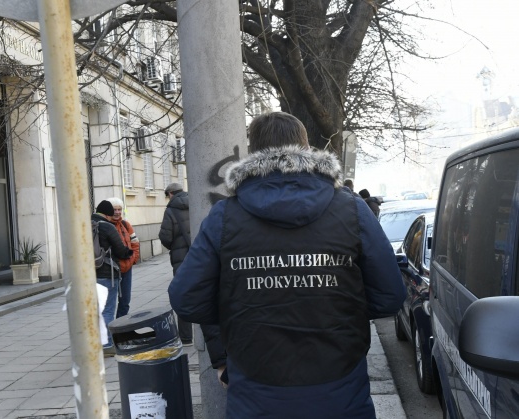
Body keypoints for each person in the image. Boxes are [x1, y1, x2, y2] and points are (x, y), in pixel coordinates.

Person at [168, 112, 405, 419]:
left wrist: (238, 311)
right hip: (339, 388)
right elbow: (390, 296)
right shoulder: (351, 210)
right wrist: (340, 307)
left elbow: (187, 299)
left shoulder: (225, 217)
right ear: (306, 148)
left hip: (256, 390)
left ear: (254, 152)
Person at [93, 200, 133, 357]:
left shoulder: (85, 224)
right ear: (108, 213)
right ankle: (107, 344)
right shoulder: (107, 226)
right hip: (107, 274)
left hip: (90, 275)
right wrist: (129, 254)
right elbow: (121, 250)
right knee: (108, 309)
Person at [159, 182, 193, 346]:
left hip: (181, 258)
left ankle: (186, 337)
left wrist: (174, 247)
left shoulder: (171, 210)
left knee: (183, 295)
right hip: (199, 254)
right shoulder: (194, 203)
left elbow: (165, 236)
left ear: (171, 193)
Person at [106, 197, 140, 318]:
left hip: (127, 269)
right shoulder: (105, 226)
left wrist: (133, 259)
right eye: (114, 209)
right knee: (109, 303)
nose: (117, 212)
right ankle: (111, 331)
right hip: (112, 270)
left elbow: (135, 242)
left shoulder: (126, 225)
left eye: (119, 209)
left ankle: (121, 328)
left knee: (125, 302)